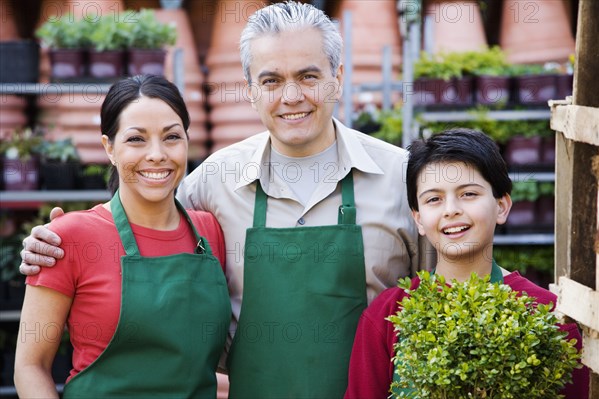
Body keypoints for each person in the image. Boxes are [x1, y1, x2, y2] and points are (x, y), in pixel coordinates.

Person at [19, 2, 426, 397]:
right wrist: (50, 245)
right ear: (249, 90)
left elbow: (450, 292)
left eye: (308, 76)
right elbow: (143, 215)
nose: (291, 96)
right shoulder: (213, 182)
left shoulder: (401, 177)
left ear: (338, 76)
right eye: (270, 81)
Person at [14, 75, 231, 398]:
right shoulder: (67, 238)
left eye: (172, 137)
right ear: (109, 148)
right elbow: (30, 367)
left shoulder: (211, 231)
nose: (157, 154)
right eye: (136, 139)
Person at [344, 128, 589, 399]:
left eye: (468, 194)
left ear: (502, 206)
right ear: (418, 219)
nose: (451, 210)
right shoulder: (388, 315)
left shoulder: (548, 315)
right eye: (434, 199)